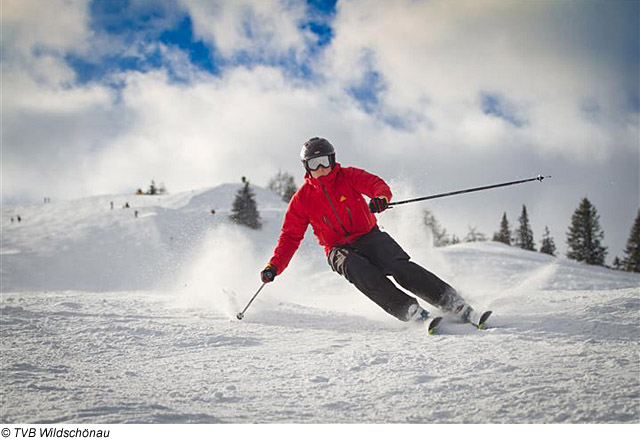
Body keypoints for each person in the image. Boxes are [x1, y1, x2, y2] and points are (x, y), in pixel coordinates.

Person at [260, 137, 482, 325]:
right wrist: (274, 266)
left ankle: (451, 301)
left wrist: (380, 199)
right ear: (306, 167)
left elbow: (376, 185)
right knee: (358, 269)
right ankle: (409, 310)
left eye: (324, 161)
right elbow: (290, 237)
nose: (321, 168)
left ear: (333, 160)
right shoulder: (301, 200)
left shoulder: (348, 176)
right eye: (314, 164)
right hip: (337, 249)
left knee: (399, 266)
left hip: (369, 235)